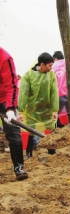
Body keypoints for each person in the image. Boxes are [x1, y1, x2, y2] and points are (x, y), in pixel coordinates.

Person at [18, 52, 59, 159]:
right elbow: (23, 93)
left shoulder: (51, 74)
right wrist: (21, 111)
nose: (51, 68)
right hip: (31, 110)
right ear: (42, 64)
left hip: (47, 109)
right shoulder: (28, 75)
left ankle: (51, 151)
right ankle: (28, 153)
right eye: (49, 65)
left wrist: (55, 110)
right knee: (29, 130)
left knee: (49, 129)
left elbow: (54, 91)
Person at [0, 47, 28, 180]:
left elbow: (11, 85)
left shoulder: (4, 57)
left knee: (12, 132)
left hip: (4, 99)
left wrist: (10, 109)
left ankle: (18, 167)